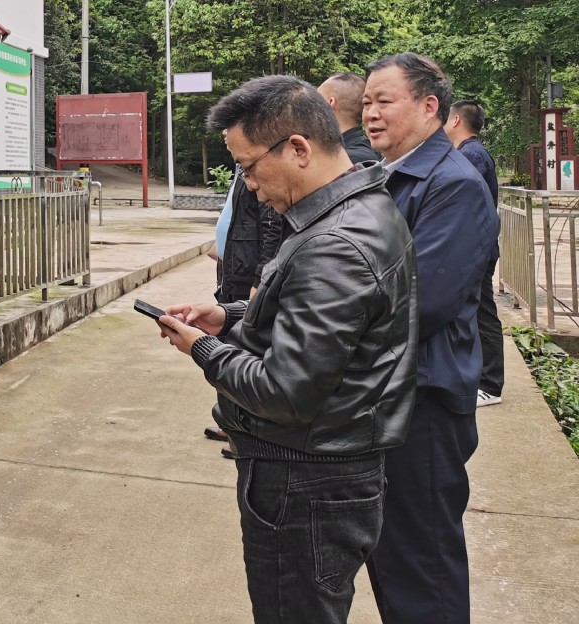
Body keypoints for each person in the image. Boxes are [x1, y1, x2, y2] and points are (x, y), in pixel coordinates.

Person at [159, 75, 417, 624]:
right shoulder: (357, 211)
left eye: (248, 167)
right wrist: (231, 316)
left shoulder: (335, 245)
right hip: (324, 466)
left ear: (298, 148)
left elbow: (284, 391)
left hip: (305, 480)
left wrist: (204, 348)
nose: (249, 186)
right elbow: (322, 324)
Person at [361, 53, 499, 624]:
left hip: (425, 401)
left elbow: (424, 302)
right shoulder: (385, 175)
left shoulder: (453, 185)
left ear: (428, 106)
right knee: (392, 557)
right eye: (366, 102)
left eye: (383, 101)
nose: (370, 113)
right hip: (389, 393)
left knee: (424, 568)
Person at [204, 161, 283, 456]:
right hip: (232, 271)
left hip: (247, 278)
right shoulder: (240, 166)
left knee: (243, 351)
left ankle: (242, 431)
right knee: (229, 344)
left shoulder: (259, 164)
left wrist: (260, 279)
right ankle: (230, 423)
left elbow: (272, 228)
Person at [444, 99, 503, 407]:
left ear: (455, 121)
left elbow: (467, 204)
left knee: (483, 314)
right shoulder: (468, 153)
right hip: (475, 248)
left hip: (477, 250)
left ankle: (491, 385)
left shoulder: (472, 155)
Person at [318, 72, 380, 164]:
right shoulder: (350, 151)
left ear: (330, 103)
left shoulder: (350, 160)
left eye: (316, 101)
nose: (312, 109)